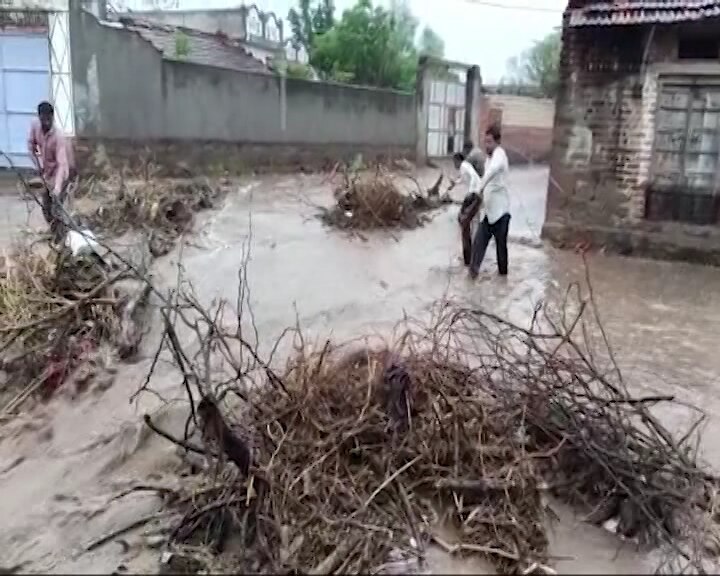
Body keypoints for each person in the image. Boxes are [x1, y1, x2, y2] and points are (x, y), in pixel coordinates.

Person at [27, 101, 76, 233]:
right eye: (44, 119)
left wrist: (57, 188)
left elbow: (62, 164)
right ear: (39, 117)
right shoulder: (35, 127)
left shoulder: (58, 137)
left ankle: (62, 237)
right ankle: (56, 233)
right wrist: (38, 164)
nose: (47, 122)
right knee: (46, 208)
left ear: (52, 117)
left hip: (62, 172)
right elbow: (30, 147)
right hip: (47, 172)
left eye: (49, 119)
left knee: (56, 208)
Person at [469, 125, 510, 279]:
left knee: (501, 253)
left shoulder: (500, 155)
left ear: (497, 142)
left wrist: (478, 188)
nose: (487, 145)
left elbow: (492, 172)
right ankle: (471, 277)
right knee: (478, 246)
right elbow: (485, 177)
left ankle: (503, 281)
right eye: (485, 142)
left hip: (501, 214)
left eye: (490, 142)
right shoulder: (488, 159)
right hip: (488, 213)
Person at [450, 151, 482, 267]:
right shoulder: (465, 166)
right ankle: (471, 252)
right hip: (477, 194)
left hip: (474, 194)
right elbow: (465, 179)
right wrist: (454, 183)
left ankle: (468, 257)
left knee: (463, 220)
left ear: (458, 161)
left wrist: (471, 193)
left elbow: (473, 178)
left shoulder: (463, 166)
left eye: (454, 162)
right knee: (468, 221)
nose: (454, 165)